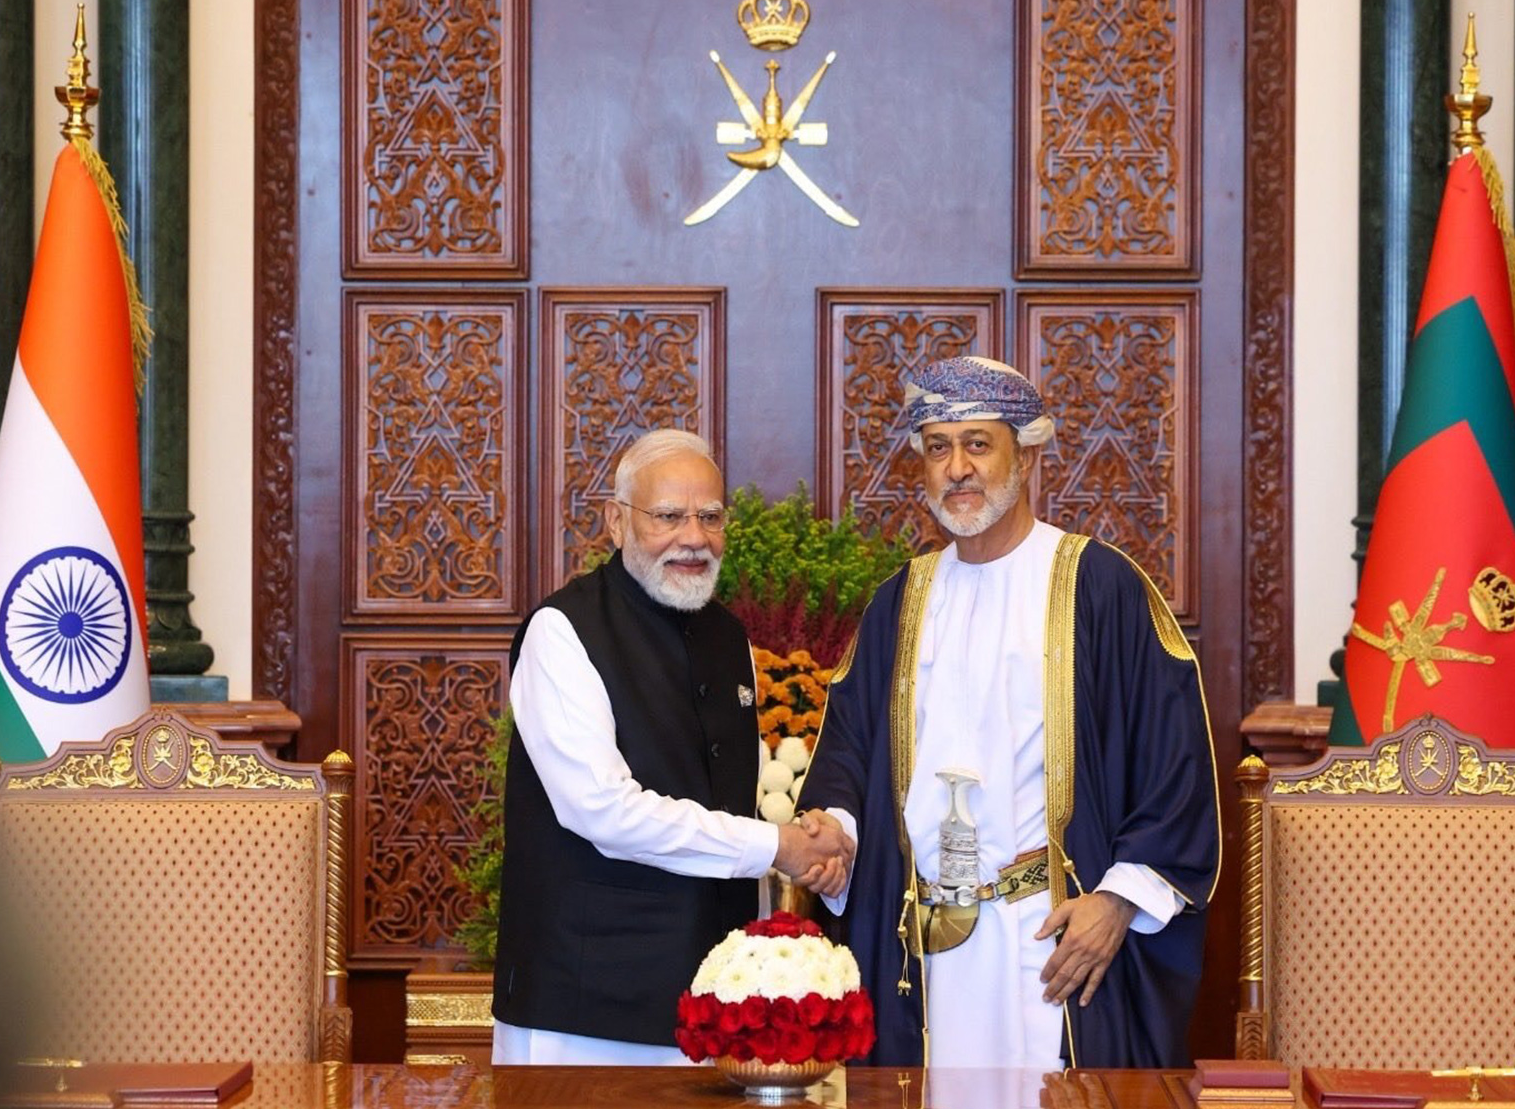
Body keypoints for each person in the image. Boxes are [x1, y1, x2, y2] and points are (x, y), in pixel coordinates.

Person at [797, 356, 1220, 1070]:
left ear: (1025, 456)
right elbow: (848, 750)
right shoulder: (900, 601)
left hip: (1049, 938)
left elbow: (1175, 767)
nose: (957, 467)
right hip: (919, 944)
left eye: (978, 444)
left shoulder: (1099, 587)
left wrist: (1116, 902)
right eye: (938, 447)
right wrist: (833, 830)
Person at [491, 429, 850, 1066]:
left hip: (714, 1003)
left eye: (710, 517)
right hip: (586, 1011)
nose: (693, 537)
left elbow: (722, 804)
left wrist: (811, 850)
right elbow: (601, 810)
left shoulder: (728, 637)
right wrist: (781, 846)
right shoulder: (562, 631)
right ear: (616, 521)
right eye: (668, 516)